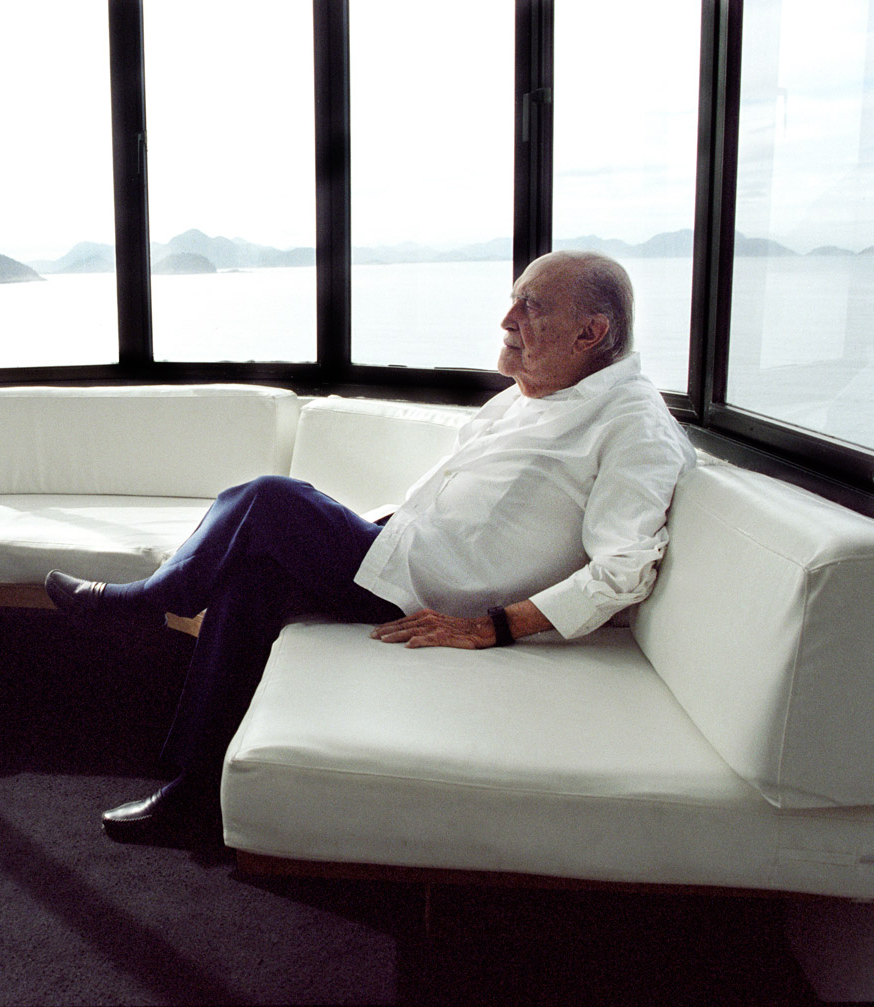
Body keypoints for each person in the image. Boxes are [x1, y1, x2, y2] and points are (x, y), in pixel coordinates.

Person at [46, 250, 697, 846]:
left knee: (271, 497)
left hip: (426, 594)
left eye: (532, 306)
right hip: (397, 558)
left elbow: (622, 570)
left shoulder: (633, 423)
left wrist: (493, 628)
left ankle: (150, 601)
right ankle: (196, 793)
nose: (507, 318)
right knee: (251, 574)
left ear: (592, 333)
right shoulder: (532, 396)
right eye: (513, 298)